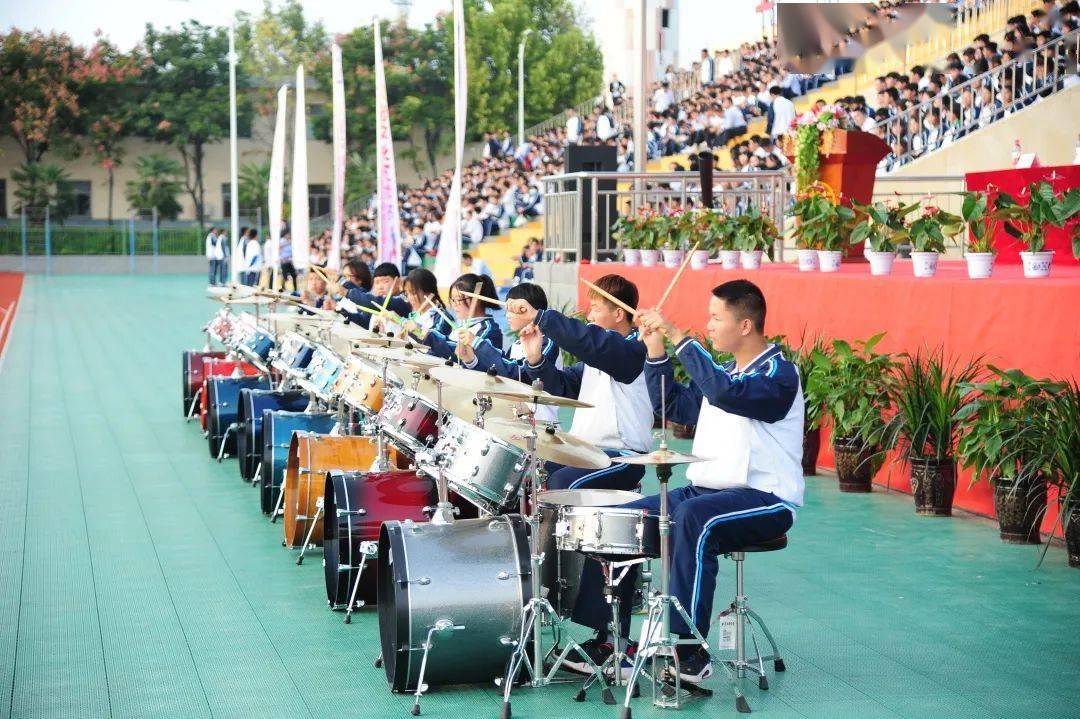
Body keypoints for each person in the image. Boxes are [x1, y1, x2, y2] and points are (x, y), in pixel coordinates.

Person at [571, 279, 804, 682]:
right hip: (707, 492)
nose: (708, 325)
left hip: (766, 498)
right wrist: (656, 349)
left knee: (694, 518)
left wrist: (679, 335)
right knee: (616, 521)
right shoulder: (725, 372)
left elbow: (725, 392)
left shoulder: (778, 374)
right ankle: (611, 642)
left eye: (716, 318)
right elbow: (672, 403)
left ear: (745, 325)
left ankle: (689, 650)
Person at [508, 273, 652, 492]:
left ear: (619, 313)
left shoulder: (635, 351)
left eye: (595, 308)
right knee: (532, 473)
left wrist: (540, 317)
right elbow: (562, 388)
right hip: (587, 450)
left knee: (561, 483)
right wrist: (535, 359)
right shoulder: (599, 356)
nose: (589, 316)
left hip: (625, 456)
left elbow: (591, 342)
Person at [456, 282, 563, 425]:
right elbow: (499, 376)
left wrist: (478, 343)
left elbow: (518, 374)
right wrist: (471, 360)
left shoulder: (548, 343)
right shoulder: (516, 345)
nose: (507, 315)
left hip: (540, 423)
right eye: (507, 310)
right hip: (515, 419)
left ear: (527, 310)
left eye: (512, 310)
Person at [412, 273, 503, 359]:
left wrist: (423, 333)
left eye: (458, 300)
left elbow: (458, 354)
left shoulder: (489, 331)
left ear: (476, 300)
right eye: (452, 300)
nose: (454, 304)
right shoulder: (461, 326)